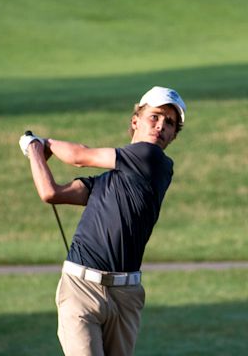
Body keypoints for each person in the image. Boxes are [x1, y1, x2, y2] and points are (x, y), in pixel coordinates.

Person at [19, 86, 186, 356]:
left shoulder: (154, 160)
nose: (161, 126)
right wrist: (35, 153)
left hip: (125, 295)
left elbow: (80, 157)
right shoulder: (105, 182)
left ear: (173, 135)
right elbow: (51, 193)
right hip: (80, 288)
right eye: (154, 117)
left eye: (170, 123)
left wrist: (39, 143)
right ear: (135, 121)